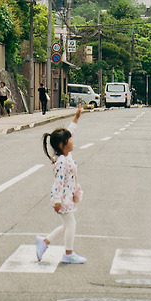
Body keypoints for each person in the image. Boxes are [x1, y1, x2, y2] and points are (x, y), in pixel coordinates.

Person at [35, 103, 87, 264]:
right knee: (71, 224)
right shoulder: (62, 161)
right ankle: (68, 253)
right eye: (68, 140)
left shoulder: (66, 155)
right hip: (62, 198)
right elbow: (58, 183)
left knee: (67, 225)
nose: (72, 141)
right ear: (61, 145)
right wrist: (57, 201)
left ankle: (44, 242)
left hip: (67, 197)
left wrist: (77, 116)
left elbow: (71, 131)